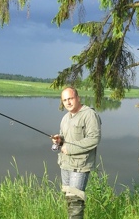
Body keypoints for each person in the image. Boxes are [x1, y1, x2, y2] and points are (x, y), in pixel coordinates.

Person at [51, 87, 101, 219]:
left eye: (70, 98)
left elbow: (94, 139)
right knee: (69, 198)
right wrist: (59, 139)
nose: (68, 102)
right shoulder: (65, 117)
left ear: (78, 98)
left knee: (75, 201)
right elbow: (65, 137)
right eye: (65, 100)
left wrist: (70, 148)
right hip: (65, 164)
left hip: (80, 165)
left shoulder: (89, 114)